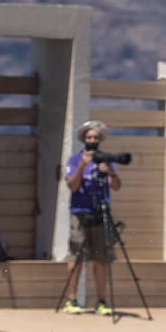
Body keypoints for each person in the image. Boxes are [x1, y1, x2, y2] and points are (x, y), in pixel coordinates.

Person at [60, 119, 122, 315]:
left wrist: (110, 171)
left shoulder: (106, 160)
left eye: (96, 137)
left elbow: (117, 186)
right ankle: (72, 300)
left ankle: (101, 301)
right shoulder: (74, 159)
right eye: (89, 137)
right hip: (80, 213)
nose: (93, 140)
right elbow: (72, 186)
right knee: (77, 256)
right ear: (83, 139)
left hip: (100, 212)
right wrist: (81, 166)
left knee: (101, 259)